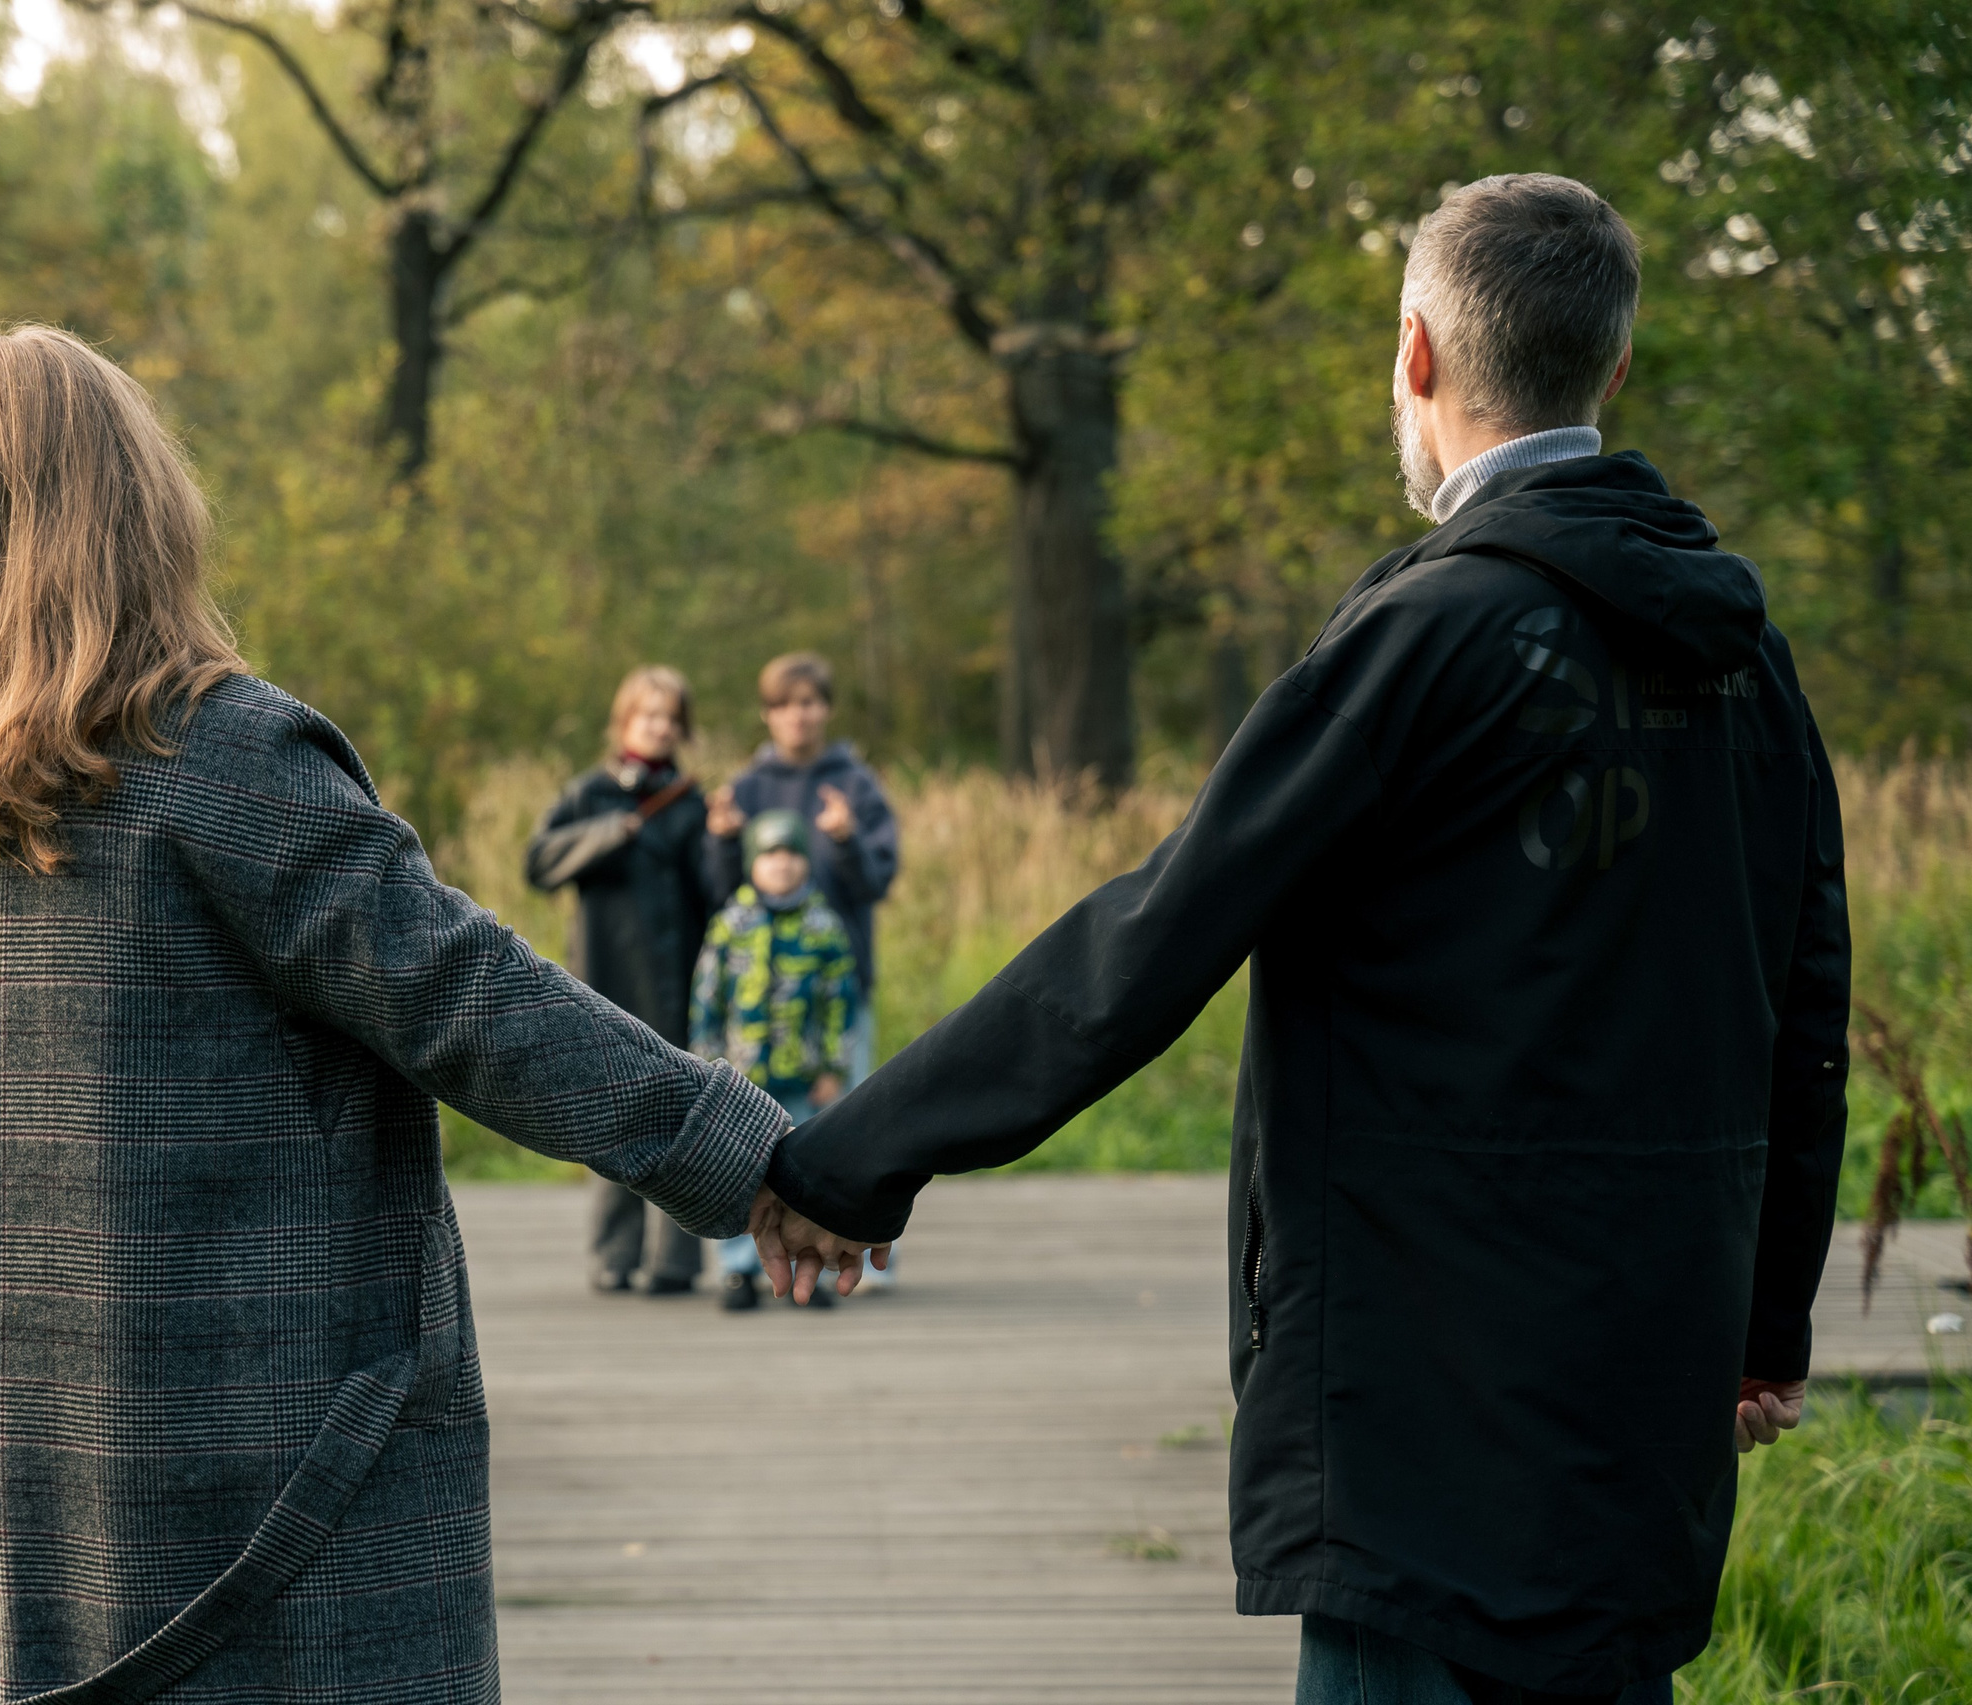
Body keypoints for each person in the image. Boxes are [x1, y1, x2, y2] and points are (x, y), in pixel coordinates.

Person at [752, 175, 1849, 1704]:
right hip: (1644, 1397)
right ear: (1613, 367)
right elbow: (1805, 1003)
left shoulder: (1426, 637)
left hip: (1418, 1406)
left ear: (1417, 354)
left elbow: (1158, 932)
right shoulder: (1743, 660)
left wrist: (850, 1156)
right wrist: (1764, 1320)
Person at [0, 326, 792, 1704]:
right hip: (282, 1463)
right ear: (143, 509)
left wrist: (31, 1266)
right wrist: (754, 1158)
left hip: (13, 1461)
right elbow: (466, 997)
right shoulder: (227, 754)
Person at [706, 651, 900, 1282]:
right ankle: (752, 1263)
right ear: (768, 713)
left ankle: (859, 1255)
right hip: (758, 1005)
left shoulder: (856, 785)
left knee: (850, 1123)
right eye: (785, 704)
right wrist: (722, 840)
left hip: (836, 990)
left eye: (810, 702)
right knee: (753, 1133)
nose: (799, 715)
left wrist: (844, 839)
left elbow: (877, 880)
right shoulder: (748, 787)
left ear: (827, 709)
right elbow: (723, 896)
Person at [524, 666, 718, 1294]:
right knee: (609, 1115)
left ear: (682, 729)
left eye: (671, 718)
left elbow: (717, 893)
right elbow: (539, 862)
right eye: (648, 715)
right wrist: (611, 832)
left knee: (682, 1114)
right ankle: (614, 1254)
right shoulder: (589, 793)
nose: (659, 728)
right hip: (603, 979)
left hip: (678, 980)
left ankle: (677, 1261)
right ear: (624, 721)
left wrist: (726, 841)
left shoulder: (691, 802)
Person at [689, 810, 857, 1312]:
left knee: (808, 1174)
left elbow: (840, 1002)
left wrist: (833, 1067)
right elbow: (707, 999)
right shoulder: (730, 923)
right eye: (769, 855)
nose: (781, 865)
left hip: (802, 1078)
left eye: (791, 855)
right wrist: (703, 1064)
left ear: (805, 862)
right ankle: (738, 1270)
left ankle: (810, 1264)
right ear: (751, 863)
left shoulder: (823, 926)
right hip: (739, 1078)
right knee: (737, 1174)